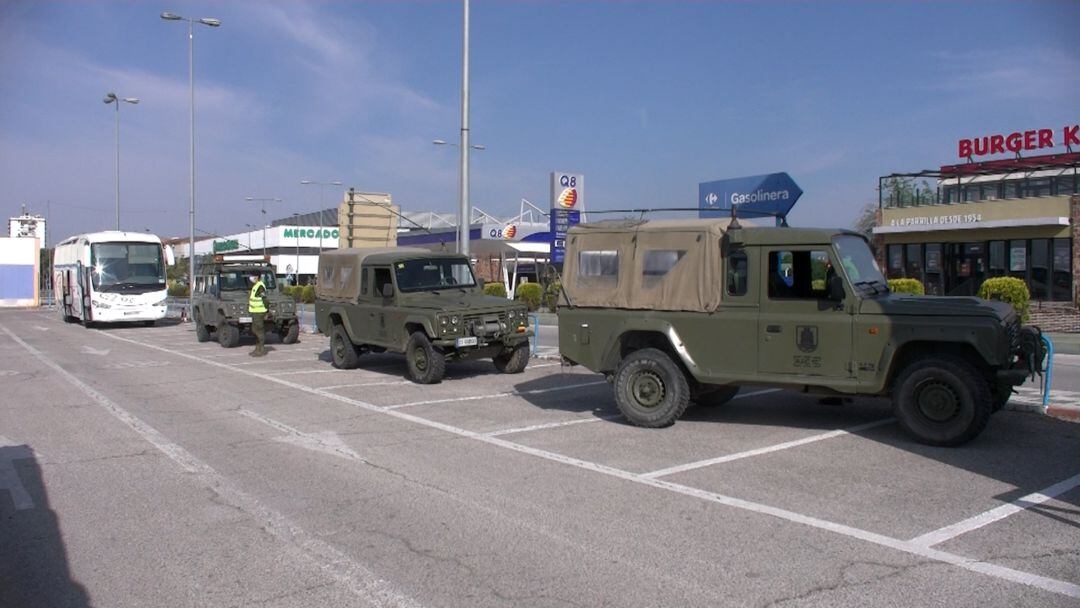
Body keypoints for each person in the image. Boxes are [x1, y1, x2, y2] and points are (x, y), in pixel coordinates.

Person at [248, 271, 269, 357]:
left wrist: (266, 311)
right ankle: (257, 348)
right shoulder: (255, 286)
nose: (251, 278)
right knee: (254, 330)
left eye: (253, 276)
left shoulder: (260, 286)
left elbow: (265, 300)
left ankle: (261, 349)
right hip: (255, 312)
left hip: (259, 312)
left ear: (257, 277)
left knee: (259, 330)